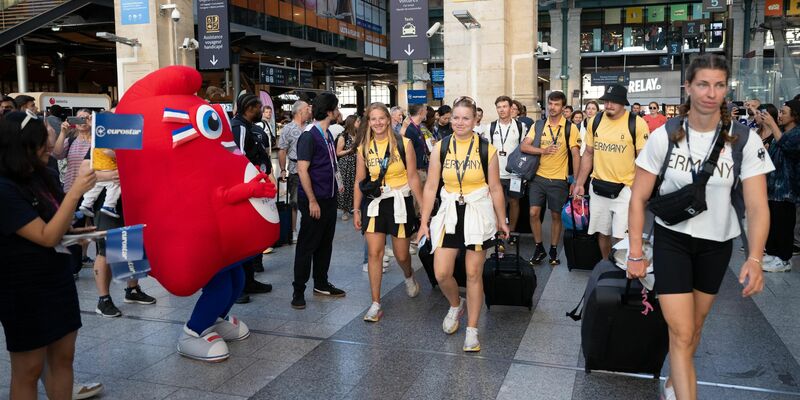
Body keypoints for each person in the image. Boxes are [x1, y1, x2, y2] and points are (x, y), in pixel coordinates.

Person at [627, 54, 772, 400]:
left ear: (726, 89)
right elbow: (637, 197)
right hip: (672, 239)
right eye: (703, 84)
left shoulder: (744, 140)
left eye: (719, 85)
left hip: (717, 244)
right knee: (680, 333)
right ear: (688, 87)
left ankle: (677, 378)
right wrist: (635, 251)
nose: (711, 92)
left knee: (693, 329)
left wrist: (754, 259)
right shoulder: (666, 135)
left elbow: (756, 205)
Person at [0, 111, 96, 399]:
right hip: (23, 288)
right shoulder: (4, 188)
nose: (49, 148)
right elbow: (45, 235)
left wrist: (77, 234)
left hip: (57, 278)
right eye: (41, 143)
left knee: (63, 358)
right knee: (28, 370)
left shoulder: (42, 175)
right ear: (20, 148)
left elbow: (56, 225)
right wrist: (75, 190)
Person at [416, 96, 510, 352]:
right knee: (442, 272)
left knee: (472, 274)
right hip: (449, 213)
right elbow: (431, 186)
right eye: (455, 117)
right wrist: (424, 222)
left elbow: (495, 188)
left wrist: (503, 220)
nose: (459, 122)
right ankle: (456, 305)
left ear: (475, 119)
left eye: (465, 118)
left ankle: (472, 329)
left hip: (478, 212)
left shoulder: (485, 149)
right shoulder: (441, 147)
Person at [353, 103, 424, 322]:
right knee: (375, 253)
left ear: (389, 119)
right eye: (373, 119)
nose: (377, 123)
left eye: (381, 118)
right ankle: (375, 303)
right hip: (374, 203)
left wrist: (422, 207)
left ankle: (408, 274)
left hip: (399, 202)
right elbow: (359, 180)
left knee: (402, 254)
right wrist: (356, 209)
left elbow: (412, 176)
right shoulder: (364, 146)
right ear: (369, 121)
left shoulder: (404, 143)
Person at [574, 84, 650, 259]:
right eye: (606, 101)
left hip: (625, 189)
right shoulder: (595, 121)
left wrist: (640, 192)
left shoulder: (636, 123)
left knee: (621, 235)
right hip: (598, 187)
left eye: (613, 102)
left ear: (623, 103)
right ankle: (606, 265)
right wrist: (579, 183)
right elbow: (588, 154)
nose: (608, 105)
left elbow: (643, 162)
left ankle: (623, 269)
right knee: (603, 232)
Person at [291, 92, 347, 309]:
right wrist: (312, 200)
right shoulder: (309, 135)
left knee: (325, 243)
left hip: (329, 198)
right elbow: (303, 170)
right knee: (307, 245)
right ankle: (298, 290)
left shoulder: (328, 135)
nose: (339, 111)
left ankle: (321, 283)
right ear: (330, 111)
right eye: (337, 107)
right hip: (315, 200)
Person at [520, 91, 580, 265]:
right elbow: (524, 146)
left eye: (556, 104)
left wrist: (575, 181)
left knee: (555, 215)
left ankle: (553, 249)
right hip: (538, 177)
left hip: (559, 180)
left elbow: (576, 156)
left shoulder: (570, 128)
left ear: (563, 107)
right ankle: (539, 247)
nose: (552, 108)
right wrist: (542, 151)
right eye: (550, 104)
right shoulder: (538, 125)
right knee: (533, 213)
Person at [231, 93, 274, 302]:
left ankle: (249, 280)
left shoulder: (248, 127)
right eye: (259, 107)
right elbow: (238, 158)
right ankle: (238, 287)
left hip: (255, 189)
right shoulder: (238, 127)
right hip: (246, 191)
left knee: (251, 239)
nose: (261, 110)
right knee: (241, 241)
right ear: (250, 108)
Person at [757, 99, 800, 272]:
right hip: (773, 187)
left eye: (783, 112)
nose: (780, 115)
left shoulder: (796, 133)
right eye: (780, 112)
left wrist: (772, 125)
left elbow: (788, 146)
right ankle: (773, 254)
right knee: (773, 223)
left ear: (794, 116)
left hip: (787, 189)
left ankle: (784, 259)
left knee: (784, 225)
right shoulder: (780, 132)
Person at [487, 96, 525, 245]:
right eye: (499, 107)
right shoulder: (491, 127)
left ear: (511, 108)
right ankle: (500, 232)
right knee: (498, 203)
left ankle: (512, 232)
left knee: (514, 202)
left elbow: (524, 148)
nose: (502, 110)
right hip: (496, 173)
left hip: (514, 173)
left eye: (504, 106)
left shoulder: (520, 127)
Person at [278, 100, 312, 244]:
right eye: (307, 109)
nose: (309, 111)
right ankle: (293, 231)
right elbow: (282, 150)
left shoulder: (310, 128)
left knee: (311, 199)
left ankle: (309, 229)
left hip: (311, 170)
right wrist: (283, 170)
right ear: (299, 112)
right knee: (295, 202)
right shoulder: (288, 129)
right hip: (295, 170)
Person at [78, 146, 121, 219]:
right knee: (114, 186)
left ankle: (86, 204)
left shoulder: (97, 141)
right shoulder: (103, 141)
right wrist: (115, 174)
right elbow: (84, 172)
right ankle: (109, 206)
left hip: (99, 168)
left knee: (94, 188)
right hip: (109, 168)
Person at [337, 115, 359, 221]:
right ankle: (345, 210)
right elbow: (338, 152)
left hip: (356, 164)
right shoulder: (343, 136)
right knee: (345, 187)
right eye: (357, 122)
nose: (359, 124)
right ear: (352, 123)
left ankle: (354, 208)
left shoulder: (358, 135)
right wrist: (349, 151)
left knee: (354, 187)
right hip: (345, 165)